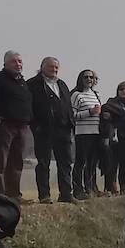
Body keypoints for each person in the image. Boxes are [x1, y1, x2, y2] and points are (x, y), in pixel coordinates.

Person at [27, 57, 75, 204]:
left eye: (56, 68)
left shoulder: (62, 84)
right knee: (43, 163)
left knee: (65, 163)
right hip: (44, 130)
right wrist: (35, 126)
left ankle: (66, 194)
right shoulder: (33, 84)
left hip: (63, 129)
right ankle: (44, 195)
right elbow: (29, 107)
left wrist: (70, 123)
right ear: (42, 67)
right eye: (50, 67)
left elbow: (68, 105)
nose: (54, 70)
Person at [0, 51, 33, 201]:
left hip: (22, 126)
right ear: (5, 63)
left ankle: (14, 195)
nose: (18, 64)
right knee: (0, 161)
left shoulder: (22, 81)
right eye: (14, 61)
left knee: (17, 161)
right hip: (4, 125)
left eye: (20, 61)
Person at [70, 70, 103, 200]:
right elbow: (72, 116)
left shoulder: (96, 94)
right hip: (83, 133)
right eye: (86, 77)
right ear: (81, 79)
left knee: (92, 162)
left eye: (91, 77)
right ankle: (78, 189)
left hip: (96, 133)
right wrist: (90, 112)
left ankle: (91, 188)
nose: (89, 79)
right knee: (81, 162)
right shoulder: (77, 95)